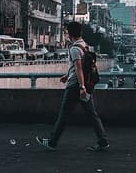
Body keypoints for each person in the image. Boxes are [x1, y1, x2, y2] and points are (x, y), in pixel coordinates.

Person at [36, 21, 109, 151]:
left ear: (69, 33)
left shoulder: (75, 49)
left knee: (63, 115)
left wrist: (81, 87)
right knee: (92, 115)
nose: (65, 35)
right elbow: (79, 68)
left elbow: (79, 68)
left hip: (75, 87)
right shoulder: (84, 45)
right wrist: (68, 75)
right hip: (84, 84)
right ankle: (102, 141)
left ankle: (52, 142)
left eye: (66, 32)